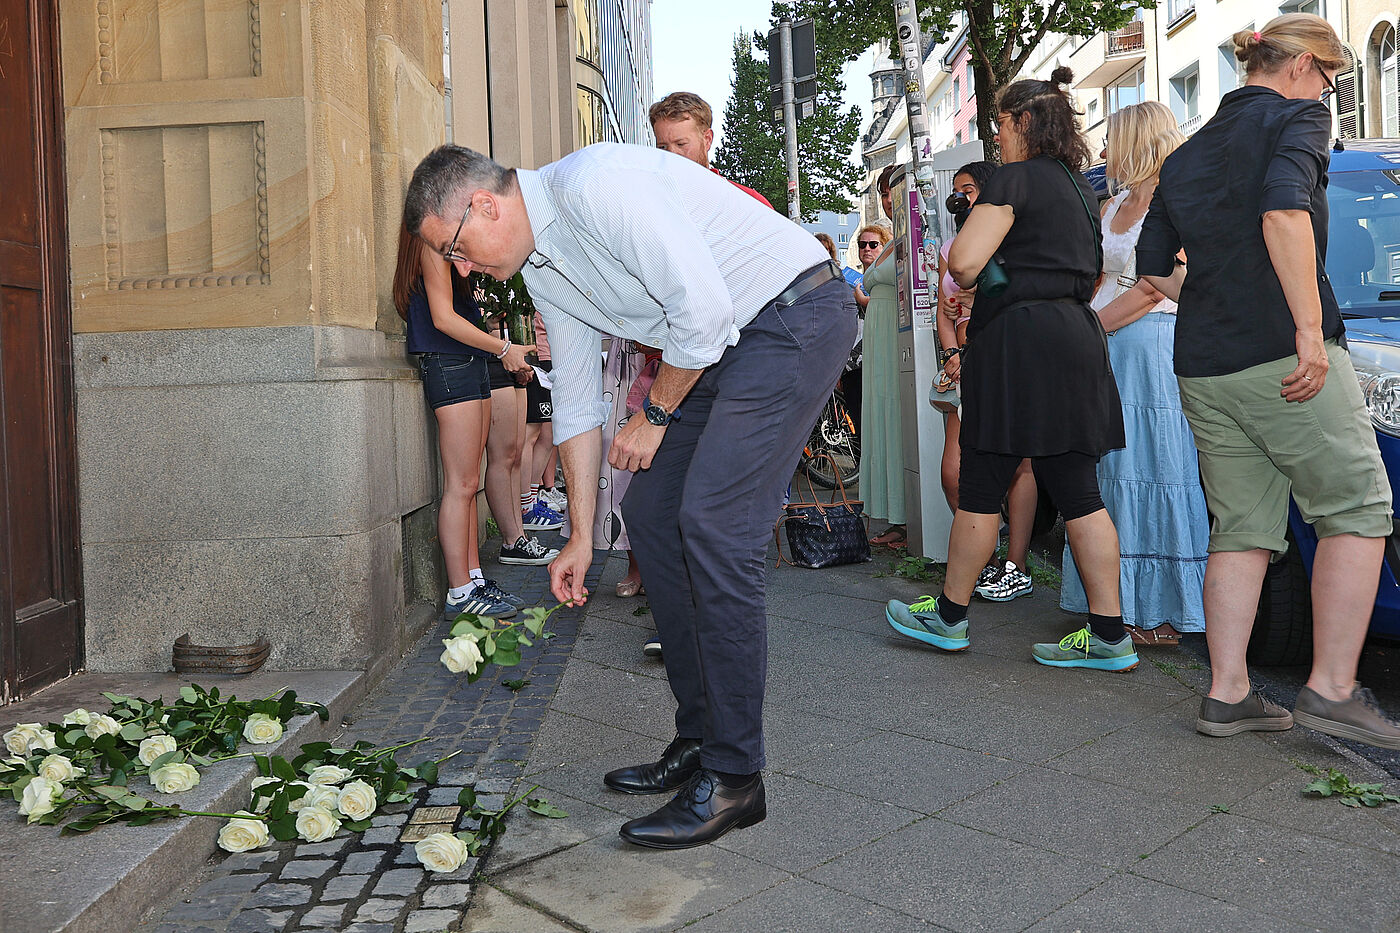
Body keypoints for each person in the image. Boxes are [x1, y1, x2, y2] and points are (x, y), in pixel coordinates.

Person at [404, 141, 856, 848]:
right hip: (721, 343)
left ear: (484, 205)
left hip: (792, 315)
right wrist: (582, 537)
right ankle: (701, 738)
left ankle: (736, 778)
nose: (461, 268)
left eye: (454, 248)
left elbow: (701, 309)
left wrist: (655, 414)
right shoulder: (542, 263)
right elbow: (577, 401)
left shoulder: (596, 186)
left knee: (716, 524)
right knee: (649, 512)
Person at [1140, 14, 1400, 747]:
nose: (1328, 93)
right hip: (1284, 356)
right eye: (1331, 78)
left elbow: (1152, 266)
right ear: (1302, 67)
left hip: (1204, 365)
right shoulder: (1298, 118)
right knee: (1357, 507)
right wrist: (1307, 331)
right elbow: (1284, 211)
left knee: (1243, 528)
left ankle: (1227, 693)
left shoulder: (1186, 153)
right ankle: (1334, 687)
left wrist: (1217, 302)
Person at [885, 67, 1137, 672]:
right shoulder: (1080, 188)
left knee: (981, 480)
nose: (996, 135)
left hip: (1019, 343)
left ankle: (949, 617)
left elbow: (964, 263)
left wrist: (981, 273)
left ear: (1024, 121)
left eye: (999, 122)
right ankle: (1110, 633)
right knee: (1079, 490)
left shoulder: (1014, 180)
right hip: (1075, 336)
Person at [1060, 101, 1208, 643]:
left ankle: (1164, 614)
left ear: (1135, 141)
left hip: (1152, 348)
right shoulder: (1114, 202)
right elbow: (1098, 276)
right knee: (1114, 471)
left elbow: (1153, 288)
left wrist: (1090, 327)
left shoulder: (1179, 199)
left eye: (1112, 139)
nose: (1104, 150)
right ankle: (1114, 605)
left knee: (1158, 468)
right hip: (1109, 346)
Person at [390, 222, 531, 620]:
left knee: (468, 483)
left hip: (467, 361)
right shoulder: (430, 242)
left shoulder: (443, 244)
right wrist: (503, 348)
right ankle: (461, 591)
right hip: (450, 362)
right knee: (462, 484)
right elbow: (443, 319)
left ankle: (473, 580)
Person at [936, 160, 1039, 603]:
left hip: (1006, 356)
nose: (960, 197)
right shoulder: (950, 245)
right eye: (956, 190)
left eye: (969, 189)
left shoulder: (1011, 236)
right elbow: (943, 308)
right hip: (964, 363)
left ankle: (1015, 565)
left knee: (1020, 465)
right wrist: (952, 352)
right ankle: (986, 556)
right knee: (954, 471)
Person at [855, 182, 906, 548]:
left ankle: (907, 519)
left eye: (891, 193)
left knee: (896, 422)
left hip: (895, 339)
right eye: (884, 194)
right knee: (882, 422)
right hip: (878, 341)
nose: (888, 200)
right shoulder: (891, 241)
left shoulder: (906, 236)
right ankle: (896, 517)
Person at [522, 314, 567, 524]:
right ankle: (527, 505)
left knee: (548, 436)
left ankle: (532, 500)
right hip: (537, 354)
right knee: (532, 435)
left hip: (555, 355)